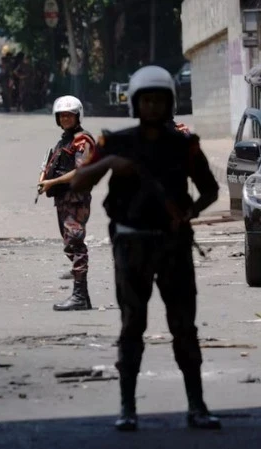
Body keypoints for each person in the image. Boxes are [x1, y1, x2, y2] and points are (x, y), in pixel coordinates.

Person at [70, 65, 221, 431]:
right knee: (132, 326)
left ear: (169, 104)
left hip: (173, 244)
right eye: (146, 100)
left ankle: (197, 406)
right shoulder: (115, 143)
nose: (152, 107)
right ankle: (127, 407)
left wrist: (188, 213)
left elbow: (210, 189)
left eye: (159, 101)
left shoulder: (184, 145)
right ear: (135, 104)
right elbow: (79, 179)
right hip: (131, 242)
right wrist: (110, 163)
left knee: (183, 327)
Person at [38, 95, 96, 312]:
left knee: (76, 244)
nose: (65, 119)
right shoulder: (65, 141)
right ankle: (84, 297)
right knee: (69, 245)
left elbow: (81, 170)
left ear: (77, 116)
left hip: (76, 200)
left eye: (69, 115)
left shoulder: (82, 140)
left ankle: (79, 296)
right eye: (61, 116)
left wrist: (52, 181)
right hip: (63, 199)